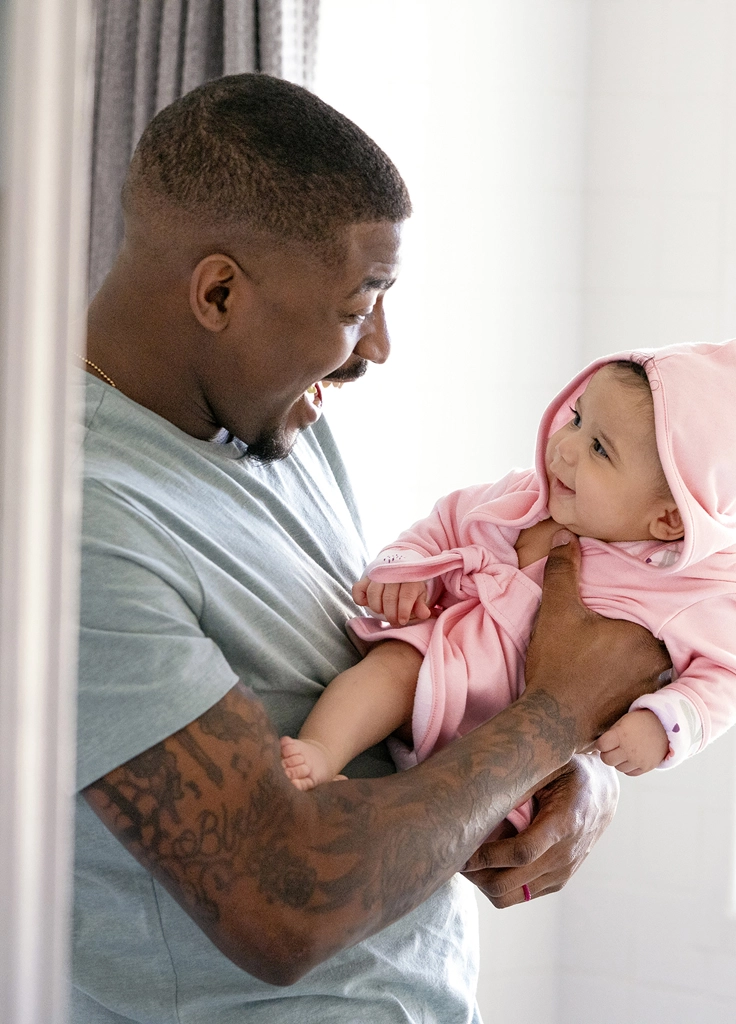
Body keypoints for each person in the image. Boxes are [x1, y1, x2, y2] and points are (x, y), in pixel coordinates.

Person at [74, 73, 671, 1024]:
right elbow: (286, 903)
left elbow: (413, 684)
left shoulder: (277, 427)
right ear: (219, 292)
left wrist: (574, 771)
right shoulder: (76, 523)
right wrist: (559, 717)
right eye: (360, 305)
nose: (379, 347)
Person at [281, 342, 736, 830]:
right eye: (577, 419)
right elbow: (450, 520)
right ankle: (322, 751)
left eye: (599, 449)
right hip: (446, 657)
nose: (564, 448)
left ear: (669, 517)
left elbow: (732, 674)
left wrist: (664, 724)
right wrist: (408, 568)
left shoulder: (694, 582)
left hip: (513, 736)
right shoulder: (528, 494)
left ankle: (367, 822)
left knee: (502, 819)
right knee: (389, 670)